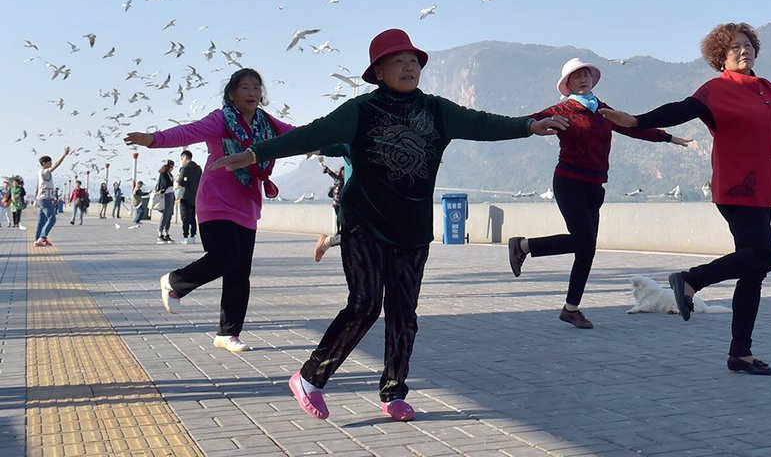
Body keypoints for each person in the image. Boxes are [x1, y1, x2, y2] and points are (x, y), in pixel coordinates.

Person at [209, 28, 569, 423]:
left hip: (412, 229)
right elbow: (312, 134)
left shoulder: (436, 110)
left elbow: (482, 123)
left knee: (403, 313)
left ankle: (394, 392)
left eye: (414, 60)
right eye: (398, 61)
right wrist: (254, 153)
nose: (409, 67)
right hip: (364, 223)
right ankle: (310, 378)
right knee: (364, 304)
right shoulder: (361, 110)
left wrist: (528, 126)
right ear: (378, 71)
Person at [602, 23, 771, 375]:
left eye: (747, 45)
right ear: (721, 58)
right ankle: (691, 279)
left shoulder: (770, 91)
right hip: (736, 188)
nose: (743, 51)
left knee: (754, 270)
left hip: (765, 188)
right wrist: (636, 120)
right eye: (734, 48)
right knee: (764, 257)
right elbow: (679, 109)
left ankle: (740, 353)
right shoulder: (715, 91)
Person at [508, 57, 692, 329]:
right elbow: (529, 122)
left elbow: (633, 127)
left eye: (586, 75)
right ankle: (523, 246)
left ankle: (571, 309)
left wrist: (668, 137)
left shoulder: (603, 110)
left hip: (595, 187)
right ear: (568, 84)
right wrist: (530, 126)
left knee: (587, 249)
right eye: (577, 76)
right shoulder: (563, 109)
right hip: (569, 181)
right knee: (583, 240)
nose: (583, 79)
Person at [126, 68, 295, 354]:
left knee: (239, 272)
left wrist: (341, 140)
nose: (252, 93)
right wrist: (153, 139)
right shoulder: (221, 119)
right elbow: (188, 132)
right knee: (226, 256)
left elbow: (300, 136)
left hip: (247, 203)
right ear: (232, 93)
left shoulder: (268, 123)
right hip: (216, 201)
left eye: (256, 87)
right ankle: (175, 281)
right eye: (245, 87)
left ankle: (228, 334)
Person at [313, 152, 349, 262]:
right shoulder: (339, 179)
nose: (343, 173)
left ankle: (332, 238)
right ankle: (332, 239)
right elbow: (330, 173)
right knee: (357, 232)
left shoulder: (344, 180)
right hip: (339, 203)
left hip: (342, 203)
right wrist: (322, 164)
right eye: (342, 171)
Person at [33, 148, 70, 246]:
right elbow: (56, 165)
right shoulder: (45, 172)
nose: (51, 163)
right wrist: (64, 155)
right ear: (44, 163)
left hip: (41, 198)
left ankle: (37, 240)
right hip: (45, 199)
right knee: (52, 218)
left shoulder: (39, 172)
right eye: (50, 162)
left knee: (41, 221)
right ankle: (42, 238)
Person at [177, 149, 203, 244]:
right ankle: (193, 236)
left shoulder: (184, 169)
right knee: (192, 217)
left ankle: (185, 236)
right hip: (195, 196)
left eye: (182, 159)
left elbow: (180, 181)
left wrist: (185, 183)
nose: (181, 161)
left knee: (185, 217)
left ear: (185, 157)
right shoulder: (198, 169)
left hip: (185, 196)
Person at [153, 160, 176, 243]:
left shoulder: (170, 175)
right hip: (166, 195)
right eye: (171, 166)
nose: (172, 168)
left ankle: (166, 233)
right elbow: (165, 184)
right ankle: (160, 233)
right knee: (165, 214)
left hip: (171, 194)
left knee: (169, 215)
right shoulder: (163, 174)